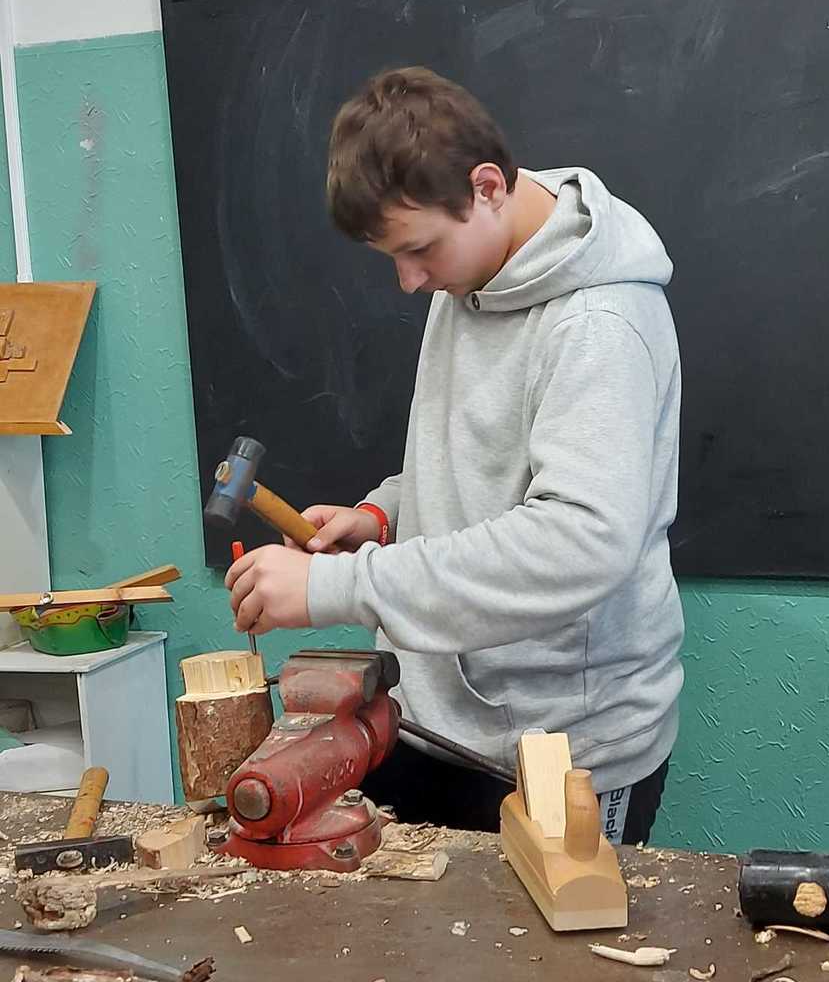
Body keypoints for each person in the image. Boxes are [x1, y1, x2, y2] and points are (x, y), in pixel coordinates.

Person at [225, 67, 685, 843]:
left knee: (551, 929)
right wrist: (385, 514)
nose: (410, 282)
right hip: (430, 716)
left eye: (419, 250)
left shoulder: (599, 325)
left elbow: (580, 540)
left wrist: (338, 586)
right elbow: (481, 460)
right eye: (393, 257)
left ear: (487, 187)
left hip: (558, 751)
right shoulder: (472, 267)